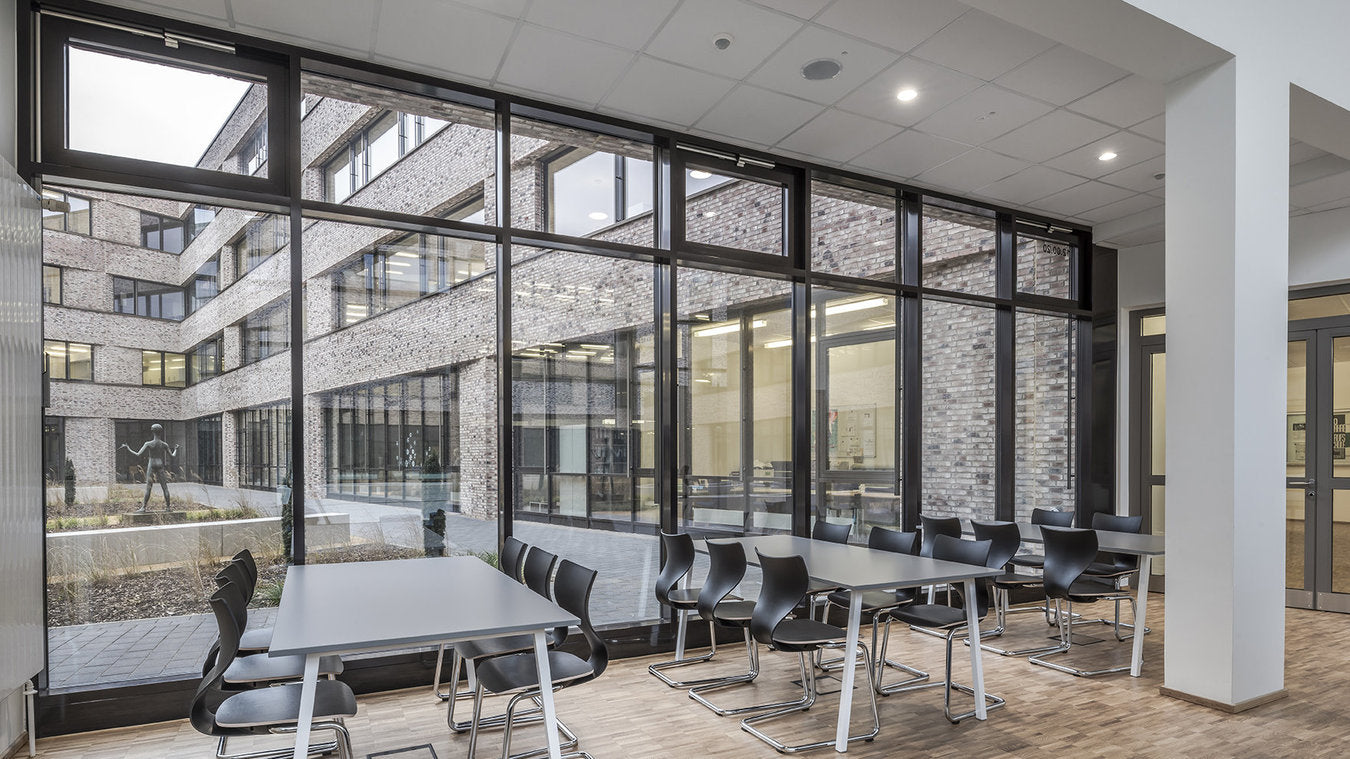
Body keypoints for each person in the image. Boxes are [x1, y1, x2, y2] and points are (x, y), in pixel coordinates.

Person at [119, 423, 179, 512]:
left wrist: (128, 448)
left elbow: (138, 454)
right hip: (160, 464)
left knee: (148, 487)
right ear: (160, 432)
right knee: (165, 487)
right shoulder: (164, 444)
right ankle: (168, 507)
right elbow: (173, 456)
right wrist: (176, 449)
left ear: (152, 432)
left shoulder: (149, 443)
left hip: (152, 464)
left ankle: (143, 507)